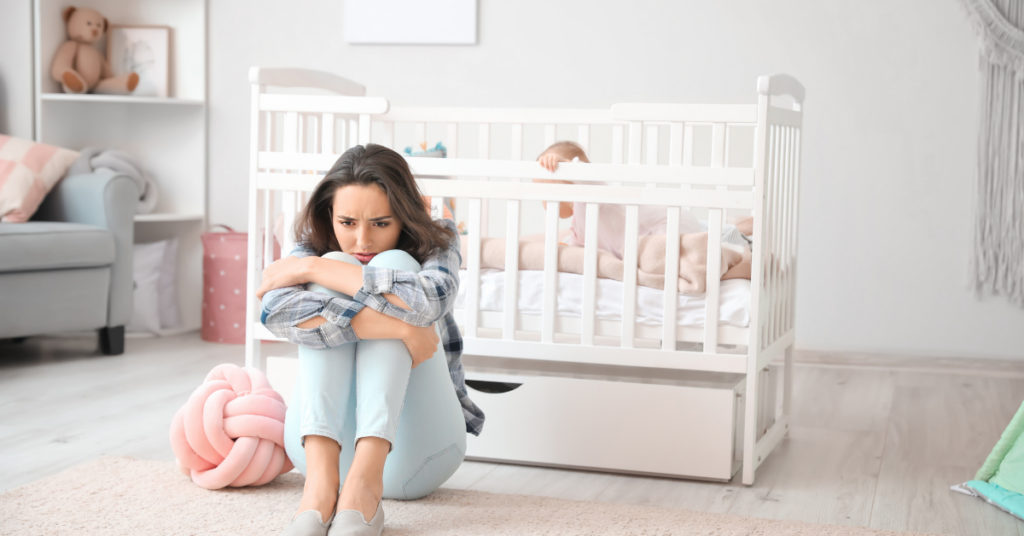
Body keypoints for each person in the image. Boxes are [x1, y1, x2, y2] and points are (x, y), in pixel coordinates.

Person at [258, 144, 483, 536]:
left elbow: (427, 300)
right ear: (330, 214)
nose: (362, 241)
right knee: (340, 264)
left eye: (381, 224)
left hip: (418, 455)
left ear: (405, 216)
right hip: (314, 451)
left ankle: (365, 483)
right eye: (347, 223)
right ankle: (320, 487)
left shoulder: (439, 236)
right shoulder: (315, 241)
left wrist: (313, 268)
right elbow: (275, 312)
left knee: (391, 265)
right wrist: (399, 327)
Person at [532, 141, 705, 259]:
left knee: (655, 258)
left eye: (541, 190)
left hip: (668, 224)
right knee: (648, 257)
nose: (541, 200)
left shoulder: (591, 195)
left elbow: (589, 178)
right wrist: (566, 251)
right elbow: (581, 249)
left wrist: (568, 166)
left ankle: (712, 235)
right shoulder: (578, 225)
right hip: (651, 241)